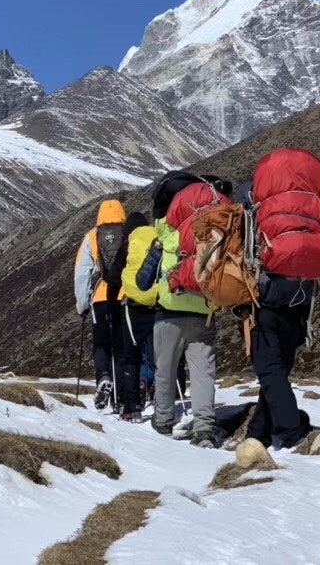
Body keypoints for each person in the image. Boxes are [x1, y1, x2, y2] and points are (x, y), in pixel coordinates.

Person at [239, 150, 320, 451]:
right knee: (279, 365)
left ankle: (291, 432)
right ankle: (259, 433)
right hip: (303, 293)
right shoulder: (313, 205)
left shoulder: (256, 204)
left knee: (268, 366)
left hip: (267, 292)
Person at [136, 172, 231, 447]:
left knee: (164, 369)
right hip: (204, 310)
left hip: (169, 311)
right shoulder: (209, 228)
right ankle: (204, 428)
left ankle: (163, 420)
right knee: (203, 372)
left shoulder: (164, 232)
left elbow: (144, 281)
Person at [74, 199, 129, 410]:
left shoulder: (92, 236)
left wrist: (83, 305)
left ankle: (103, 377)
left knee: (101, 343)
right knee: (121, 345)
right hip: (124, 295)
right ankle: (121, 398)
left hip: (101, 297)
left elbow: (82, 273)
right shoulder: (128, 233)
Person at [116, 211, 156, 421]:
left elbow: (114, 275)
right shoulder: (157, 238)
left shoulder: (128, 244)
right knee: (157, 356)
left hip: (132, 306)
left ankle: (132, 408)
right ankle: (163, 406)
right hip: (156, 303)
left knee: (131, 357)